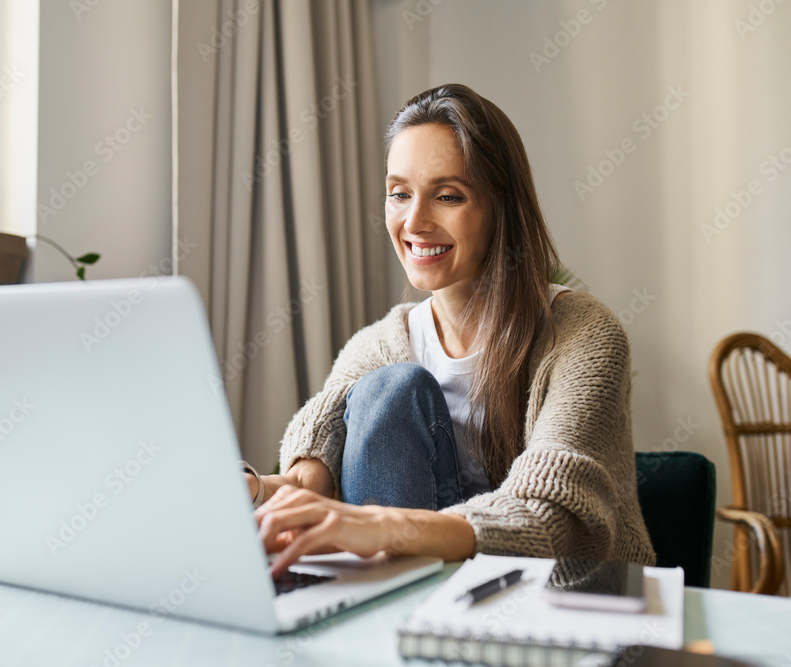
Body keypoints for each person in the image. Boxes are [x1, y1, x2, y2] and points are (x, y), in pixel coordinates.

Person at [241, 83, 655, 579]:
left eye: (448, 195)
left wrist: (385, 526)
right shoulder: (379, 346)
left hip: (560, 599)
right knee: (391, 389)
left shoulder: (583, 336)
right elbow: (314, 477)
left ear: (499, 208)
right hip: (424, 591)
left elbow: (555, 515)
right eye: (399, 194)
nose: (414, 221)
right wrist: (256, 490)